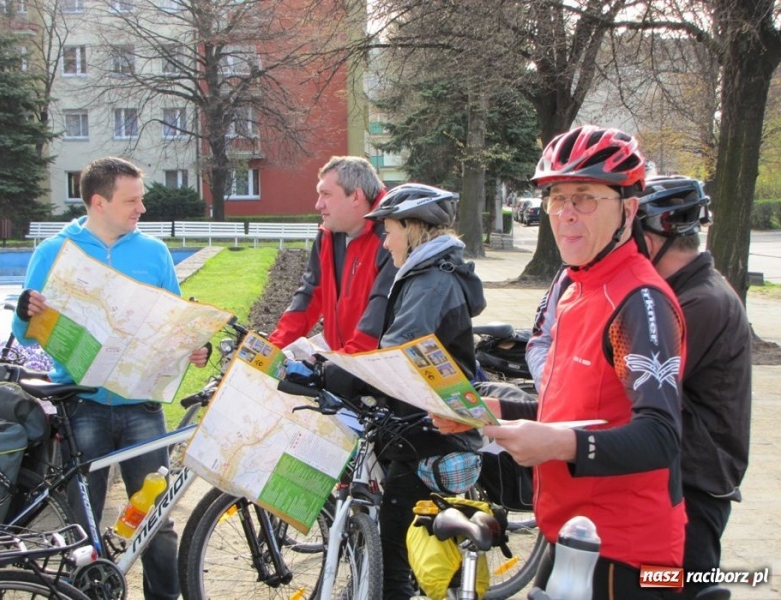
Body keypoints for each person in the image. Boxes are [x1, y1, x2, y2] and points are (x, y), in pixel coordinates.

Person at [441, 125, 688, 598]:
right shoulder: (578, 287)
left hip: (624, 551)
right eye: (557, 198)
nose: (566, 213)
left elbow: (661, 436)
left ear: (628, 209)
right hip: (570, 530)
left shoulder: (639, 301)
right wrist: (498, 411)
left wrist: (556, 444)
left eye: (585, 198)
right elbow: (585, 411)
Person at [524, 175, 751, 599]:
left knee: (681, 587)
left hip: (692, 483)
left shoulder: (689, 301)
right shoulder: (673, 292)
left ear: (649, 233)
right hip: (661, 473)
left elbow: (628, 397)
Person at [12, 157, 208, 600]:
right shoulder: (54, 253)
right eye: (132, 200)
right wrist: (25, 313)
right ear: (99, 202)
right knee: (82, 526)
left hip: (142, 406)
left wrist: (195, 346)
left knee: (156, 521)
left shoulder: (154, 252)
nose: (142, 208)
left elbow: (174, 324)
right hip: (82, 406)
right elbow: (25, 332)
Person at [313, 183, 486, 599]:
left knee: (393, 562)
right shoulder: (423, 274)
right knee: (401, 552)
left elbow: (398, 354)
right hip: (415, 425)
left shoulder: (431, 282)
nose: (385, 242)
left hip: (428, 435)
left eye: (389, 231)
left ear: (411, 228)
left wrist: (330, 375)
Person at [269, 156, 397, 353]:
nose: (318, 205)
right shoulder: (327, 236)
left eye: (326, 194)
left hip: (374, 363)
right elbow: (309, 295)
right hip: (343, 359)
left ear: (356, 197)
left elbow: (380, 312)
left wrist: (342, 364)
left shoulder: (392, 239)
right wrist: (272, 350)